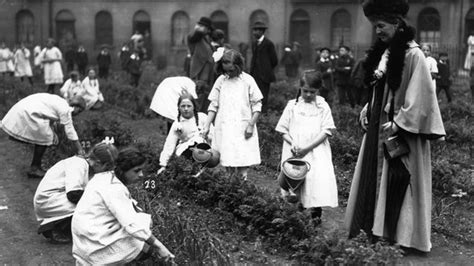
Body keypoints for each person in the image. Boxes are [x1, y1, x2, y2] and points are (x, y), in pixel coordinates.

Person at [345, 0, 446, 253]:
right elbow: (381, 88)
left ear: (397, 23)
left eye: (380, 25)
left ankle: (403, 236)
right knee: (376, 176)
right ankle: (375, 229)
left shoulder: (414, 55)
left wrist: (399, 122)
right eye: (374, 27)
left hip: (401, 132)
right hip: (379, 127)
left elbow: (421, 98)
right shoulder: (384, 52)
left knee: (402, 179)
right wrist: (370, 106)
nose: (377, 31)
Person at [71, 147, 175, 264]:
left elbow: (128, 206)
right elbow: (132, 224)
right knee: (145, 247)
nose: (141, 175)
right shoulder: (114, 188)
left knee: (140, 223)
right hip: (94, 242)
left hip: (84, 238)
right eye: (136, 171)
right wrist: (160, 246)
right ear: (123, 170)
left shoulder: (104, 177)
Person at [275, 70, 338, 224]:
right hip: (295, 150)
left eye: (312, 92)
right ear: (300, 88)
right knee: (296, 179)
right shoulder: (293, 105)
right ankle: (297, 216)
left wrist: (308, 148)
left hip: (315, 149)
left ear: (318, 90)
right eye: (305, 91)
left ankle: (315, 214)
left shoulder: (322, 106)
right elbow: (282, 130)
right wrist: (293, 143)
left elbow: (326, 131)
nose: (309, 95)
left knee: (314, 180)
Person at [33, 142, 118, 243]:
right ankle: (54, 228)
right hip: (48, 200)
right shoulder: (78, 164)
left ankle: (65, 227)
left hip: (57, 198)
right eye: (107, 167)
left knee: (95, 201)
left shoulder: (87, 167)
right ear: (98, 163)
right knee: (95, 205)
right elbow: (73, 194)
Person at [202, 49, 263, 180]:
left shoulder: (247, 81)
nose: (228, 73)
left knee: (241, 158)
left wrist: (251, 124)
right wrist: (207, 125)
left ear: (238, 66)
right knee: (228, 158)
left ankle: (242, 185)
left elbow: (257, 105)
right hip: (225, 125)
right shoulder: (221, 80)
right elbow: (213, 105)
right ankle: (230, 188)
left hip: (242, 125)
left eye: (231, 70)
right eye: (226, 71)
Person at [0, 93, 86, 178]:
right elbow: (70, 129)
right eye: (79, 111)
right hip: (28, 111)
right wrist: (79, 149)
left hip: (27, 108)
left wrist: (53, 131)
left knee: (47, 135)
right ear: (76, 107)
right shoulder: (66, 109)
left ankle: (36, 165)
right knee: (46, 137)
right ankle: (34, 168)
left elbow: (47, 113)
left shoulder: (62, 102)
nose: (78, 114)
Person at [158, 94, 212, 172]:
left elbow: (213, 136)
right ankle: (188, 171)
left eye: (189, 106)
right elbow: (169, 144)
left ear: (193, 107)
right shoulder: (177, 124)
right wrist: (163, 164)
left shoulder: (202, 117)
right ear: (179, 108)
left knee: (199, 141)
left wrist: (206, 136)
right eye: (183, 106)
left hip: (204, 150)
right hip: (185, 152)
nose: (186, 109)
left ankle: (201, 168)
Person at [249, 21, 278, 112]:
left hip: (264, 76)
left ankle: (263, 115)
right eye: (254, 30)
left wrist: (267, 69)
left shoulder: (268, 44)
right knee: (255, 96)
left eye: (256, 30)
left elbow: (274, 60)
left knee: (263, 96)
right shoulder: (254, 44)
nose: (254, 32)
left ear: (262, 31)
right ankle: (256, 114)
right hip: (255, 75)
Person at [188, 17, 215, 112]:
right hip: (199, 73)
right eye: (207, 28)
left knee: (205, 98)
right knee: (199, 97)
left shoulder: (205, 40)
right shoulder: (195, 38)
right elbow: (207, 56)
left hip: (207, 73)